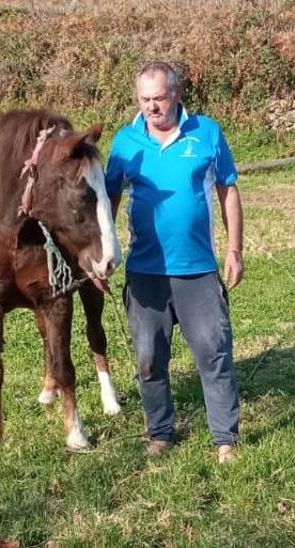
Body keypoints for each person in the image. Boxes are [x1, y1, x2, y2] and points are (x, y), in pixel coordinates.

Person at [105, 62, 245, 463]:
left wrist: (234, 250)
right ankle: (160, 432)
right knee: (148, 360)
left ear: (177, 94)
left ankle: (224, 439)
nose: (152, 107)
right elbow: (108, 201)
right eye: (145, 100)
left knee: (214, 354)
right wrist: (105, 254)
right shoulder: (126, 142)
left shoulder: (206, 133)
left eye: (159, 99)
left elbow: (228, 192)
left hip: (197, 271)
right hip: (145, 273)